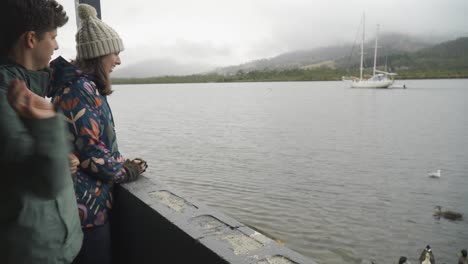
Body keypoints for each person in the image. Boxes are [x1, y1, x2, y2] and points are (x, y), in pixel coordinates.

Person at [47, 4, 148, 264]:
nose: (118, 60)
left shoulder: (78, 86)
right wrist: (129, 170)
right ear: (99, 55)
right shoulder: (81, 89)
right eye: (114, 53)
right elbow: (92, 155)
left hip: (80, 206)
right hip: (86, 213)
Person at [0, 0, 83, 263]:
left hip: (55, 246)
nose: (57, 46)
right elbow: (45, 182)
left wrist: (60, 156)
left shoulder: (28, 87)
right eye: (54, 37)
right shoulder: (6, 96)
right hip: (33, 252)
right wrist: (49, 127)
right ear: (31, 39)